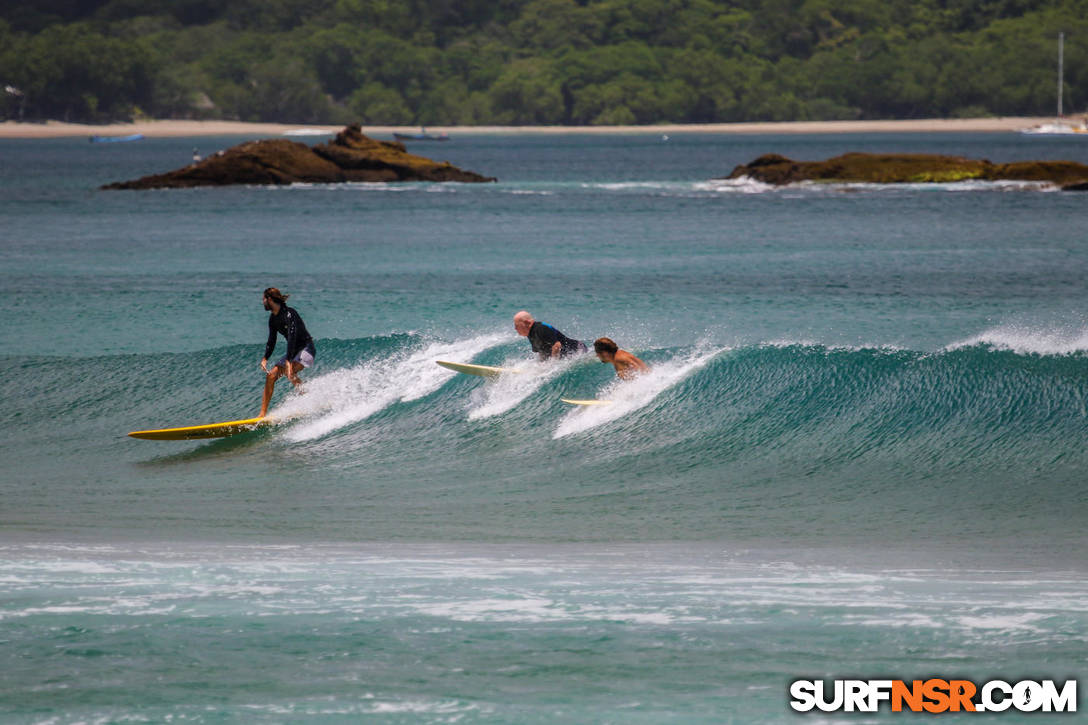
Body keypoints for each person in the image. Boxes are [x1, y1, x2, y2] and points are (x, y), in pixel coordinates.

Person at [259, 287, 316, 418]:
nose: (262, 302)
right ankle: (262, 414)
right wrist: (265, 358)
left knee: (289, 371)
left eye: (264, 299)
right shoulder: (273, 319)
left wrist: (288, 361)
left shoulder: (290, 314)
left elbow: (292, 336)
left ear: (270, 299)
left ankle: (309, 398)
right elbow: (271, 340)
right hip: (294, 350)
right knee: (271, 376)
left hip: (306, 348)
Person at [513, 310, 586, 360]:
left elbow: (557, 345)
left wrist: (552, 365)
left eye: (517, 325)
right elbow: (542, 353)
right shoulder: (530, 334)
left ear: (527, 323)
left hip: (578, 349)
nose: (515, 328)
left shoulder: (541, 328)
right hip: (567, 354)